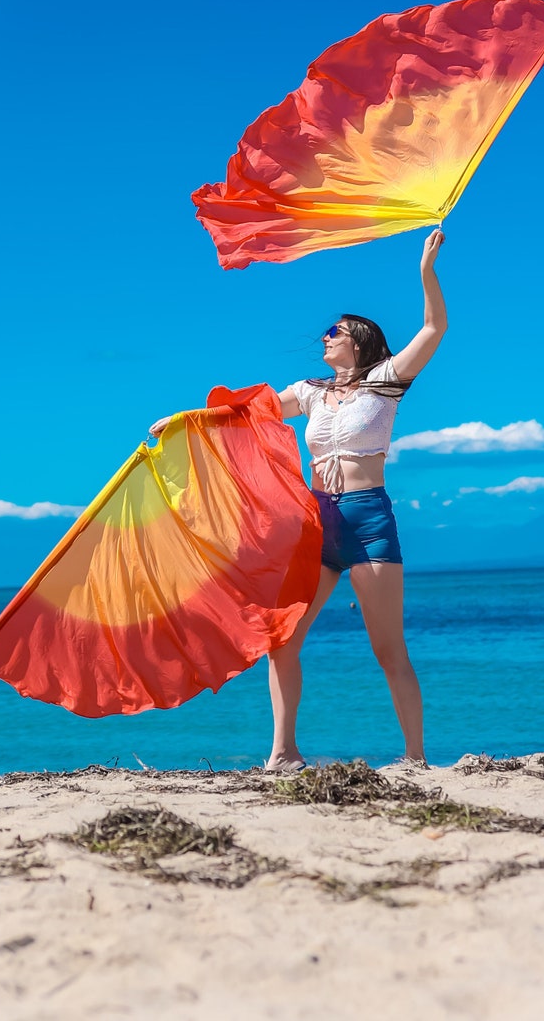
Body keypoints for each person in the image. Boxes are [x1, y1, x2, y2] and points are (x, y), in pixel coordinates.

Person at [150, 227, 447, 771]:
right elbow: (252, 412)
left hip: (368, 522)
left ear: (360, 341)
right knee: (282, 640)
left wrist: (425, 271)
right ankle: (284, 752)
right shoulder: (311, 392)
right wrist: (187, 420)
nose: (325, 338)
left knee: (388, 650)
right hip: (317, 522)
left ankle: (415, 757)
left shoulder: (385, 381)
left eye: (336, 332)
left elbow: (433, 328)